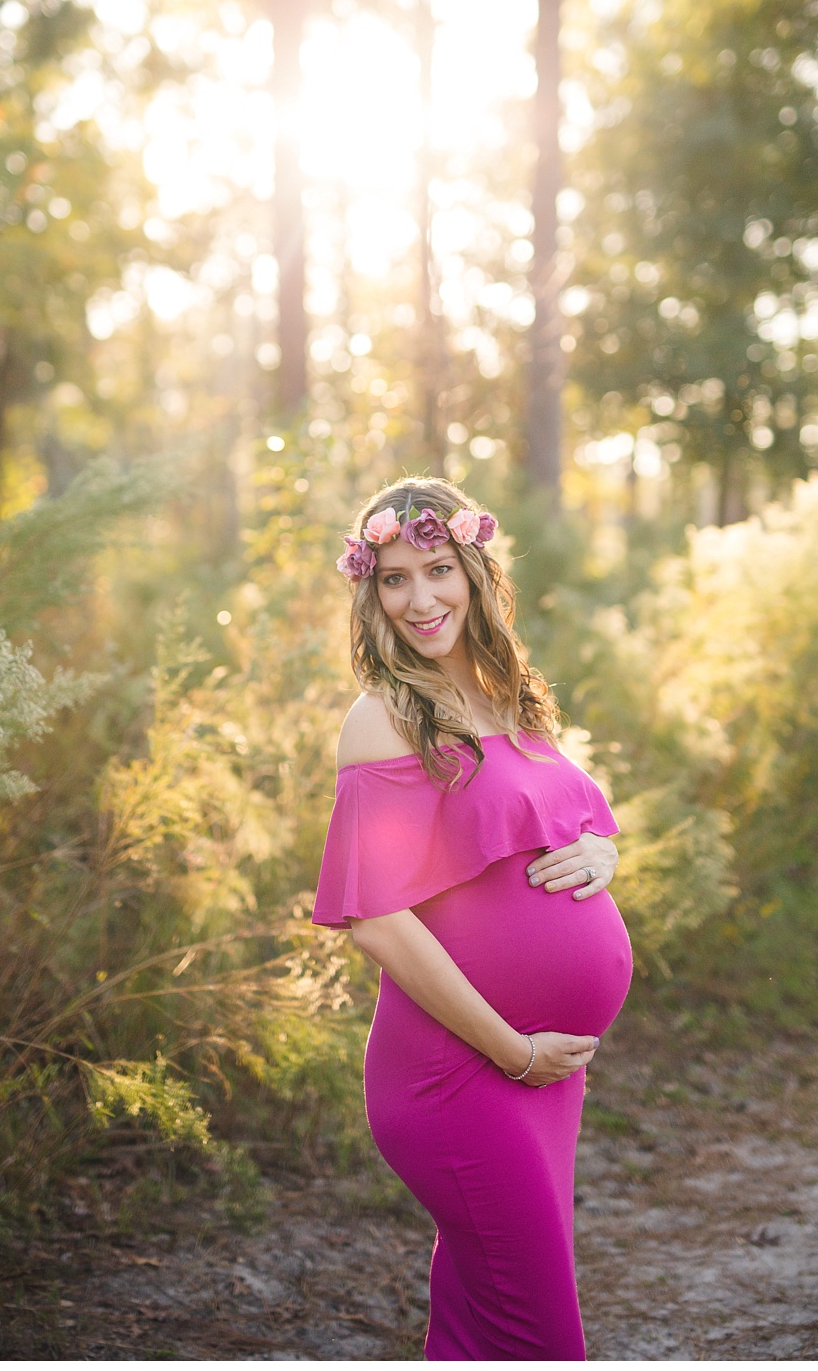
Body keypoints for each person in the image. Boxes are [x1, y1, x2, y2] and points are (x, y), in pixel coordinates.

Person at [312, 477, 632, 1361]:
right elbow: (377, 918)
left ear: (475, 570)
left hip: (541, 1073)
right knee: (540, 1334)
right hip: (460, 1074)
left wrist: (604, 853)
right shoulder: (382, 721)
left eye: (438, 570)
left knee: (485, 1317)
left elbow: (575, 819)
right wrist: (512, 1050)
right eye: (394, 579)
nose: (420, 599)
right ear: (368, 591)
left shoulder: (508, 696)